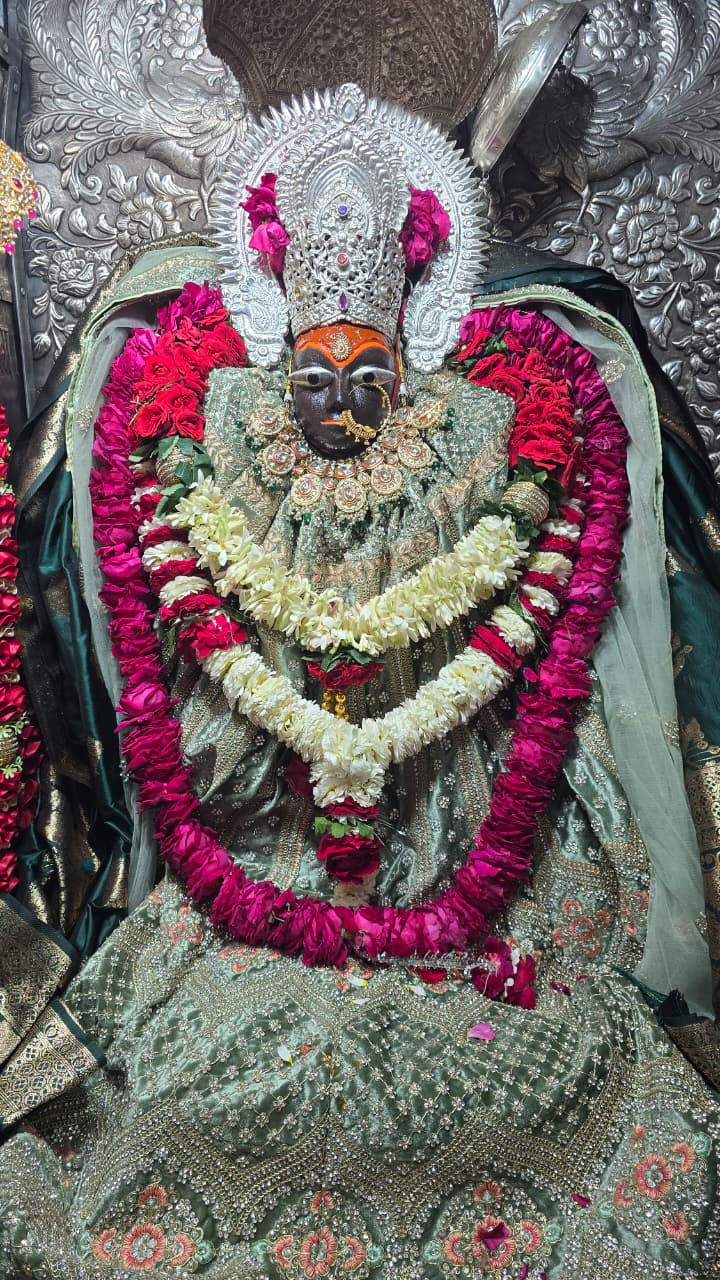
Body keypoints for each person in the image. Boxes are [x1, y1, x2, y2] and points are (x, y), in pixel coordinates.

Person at [0, 79, 718, 1280]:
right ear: (279, 353)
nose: (340, 408)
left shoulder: (473, 437)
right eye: (314, 375)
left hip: (468, 868)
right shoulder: (219, 431)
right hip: (252, 868)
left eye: (367, 374)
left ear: (408, 347)